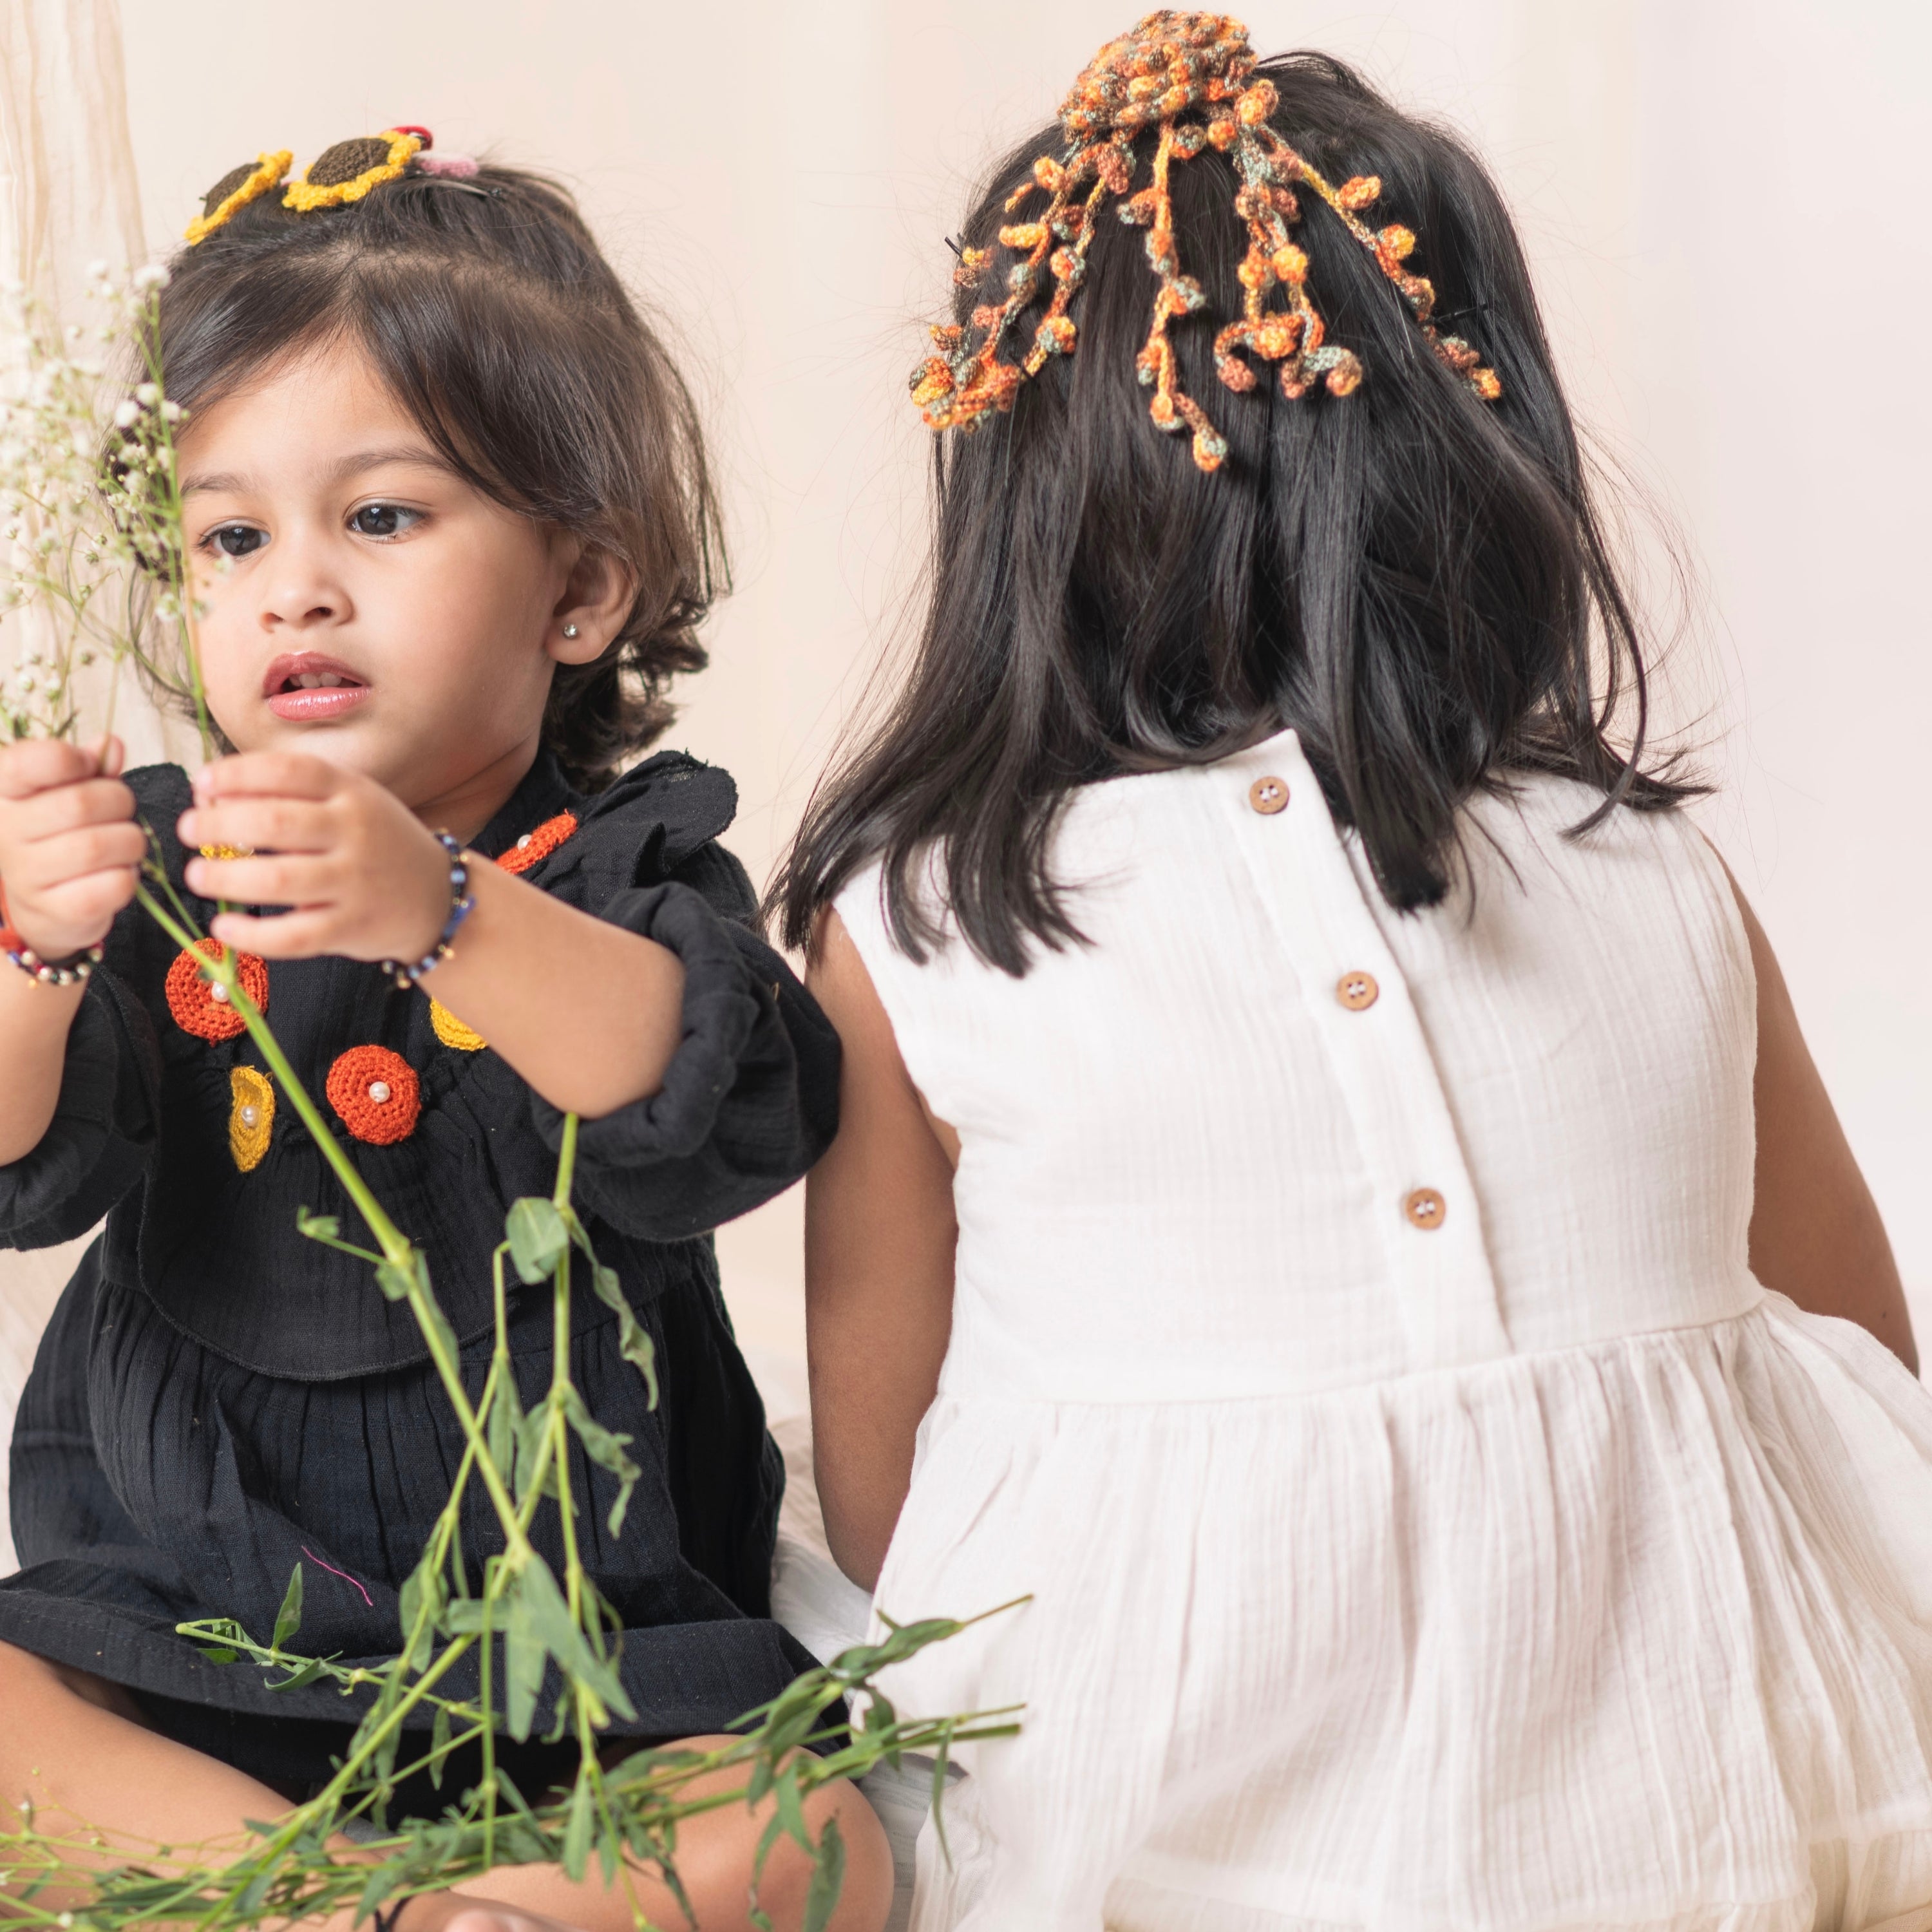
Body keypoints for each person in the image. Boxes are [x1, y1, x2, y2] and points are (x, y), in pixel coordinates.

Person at [778, 17, 1932, 1931]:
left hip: (1149, 1814)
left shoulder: (924, 919)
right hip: (1734, 1793)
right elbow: (1862, 1352)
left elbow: (898, 1497)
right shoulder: (1640, 858)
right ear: (1484, 446)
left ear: (1017, 495)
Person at [0, 133, 890, 1932]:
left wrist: (446, 913)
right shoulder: (170, 858)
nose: (294, 587)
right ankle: (349, 1902)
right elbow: (20, 1165)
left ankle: (496, 1898)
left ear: (580, 592)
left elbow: (703, 1088)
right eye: (232, 533)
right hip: (184, 1615)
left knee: (820, 1829)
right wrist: (29, 943)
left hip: (589, 1648)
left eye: (382, 518)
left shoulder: (622, 866)